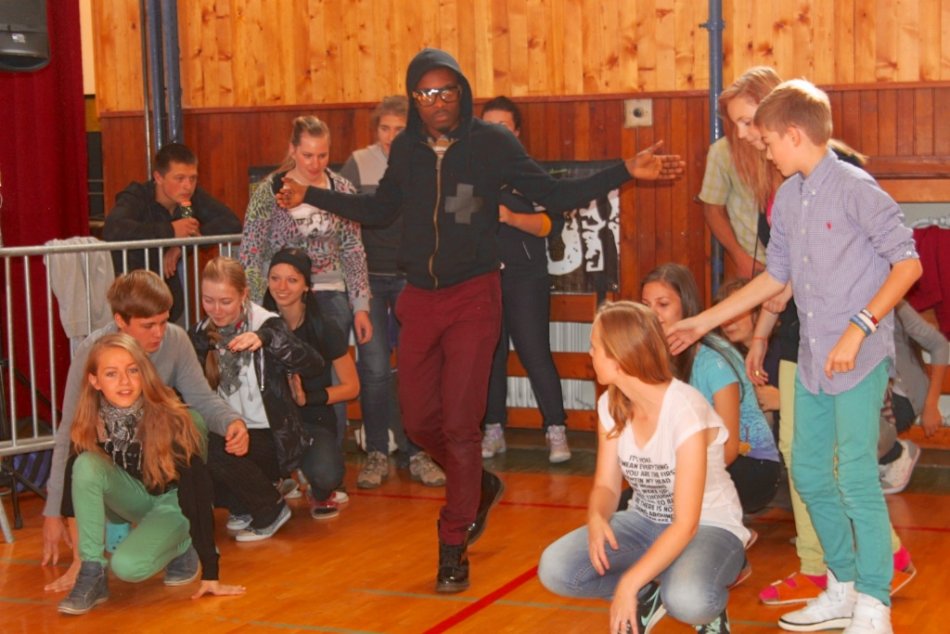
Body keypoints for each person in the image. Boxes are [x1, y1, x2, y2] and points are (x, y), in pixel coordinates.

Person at [276, 48, 685, 593]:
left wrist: (624, 171)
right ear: (414, 97)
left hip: (473, 297)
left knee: (461, 426)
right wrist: (311, 194)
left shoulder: (492, 143)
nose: (437, 101)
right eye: (426, 93)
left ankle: (453, 542)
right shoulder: (408, 150)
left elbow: (553, 193)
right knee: (419, 422)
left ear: (462, 93)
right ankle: (478, 485)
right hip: (419, 300)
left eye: (447, 90)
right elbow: (379, 210)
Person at [668, 79, 922, 634]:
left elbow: (908, 265)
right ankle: (842, 585)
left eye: (766, 142)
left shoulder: (856, 188)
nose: (763, 152)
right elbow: (775, 279)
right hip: (811, 360)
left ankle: (874, 603)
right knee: (807, 471)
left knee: (855, 476)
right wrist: (702, 321)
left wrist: (858, 328)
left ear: (793, 134)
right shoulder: (787, 197)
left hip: (857, 358)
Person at [538, 301, 747, 634]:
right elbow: (606, 485)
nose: (589, 355)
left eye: (595, 348)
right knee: (557, 569)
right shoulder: (610, 404)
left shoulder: (685, 410)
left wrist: (628, 583)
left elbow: (686, 524)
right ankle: (649, 595)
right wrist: (597, 517)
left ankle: (705, 604)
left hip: (707, 526)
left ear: (620, 357)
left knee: (688, 598)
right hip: (645, 521)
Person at [42, 270, 250, 593]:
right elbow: (70, 432)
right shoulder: (92, 352)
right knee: (85, 462)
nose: (159, 333)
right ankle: (99, 553)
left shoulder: (175, 340)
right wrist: (53, 512)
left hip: (163, 469)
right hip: (124, 477)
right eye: (148, 325)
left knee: (191, 420)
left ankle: (182, 526)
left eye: (164, 322)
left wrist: (233, 422)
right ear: (120, 321)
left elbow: (203, 399)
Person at [56, 334, 245, 615]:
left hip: (176, 503)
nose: (124, 381)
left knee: (128, 568)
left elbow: (198, 494)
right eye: (111, 374)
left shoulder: (169, 418)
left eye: (132, 370)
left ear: (143, 373)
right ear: (95, 381)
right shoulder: (90, 421)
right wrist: (80, 562)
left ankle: (184, 544)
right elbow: (72, 497)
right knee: (84, 464)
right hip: (134, 497)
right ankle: (93, 575)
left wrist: (211, 572)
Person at [240, 115, 371, 450]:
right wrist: (252, 304)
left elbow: (353, 249)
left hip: (331, 293)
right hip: (282, 294)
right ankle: (285, 452)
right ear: (293, 150)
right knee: (280, 373)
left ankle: (330, 451)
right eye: (308, 155)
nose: (315, 163)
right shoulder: (270, 190)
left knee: (332, 376)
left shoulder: (342, 190)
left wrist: (360, 305)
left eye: (322, 155)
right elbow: (252, 249)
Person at [339, 96, 446, 489]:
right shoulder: (358, 163)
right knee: (375, 370)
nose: (390, 136)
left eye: (398, 130)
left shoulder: (428, 162)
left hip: (410, 279)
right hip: (368, 280)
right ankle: (377, 452)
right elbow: (344, 217)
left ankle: (417, 452)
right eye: (384, 128)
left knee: (417, 369)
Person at [190, 257, 324, 541]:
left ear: (244, 295)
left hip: (272, 439)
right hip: (230, 430)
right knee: (192, 446)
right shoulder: (200, 335)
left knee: (214, 447)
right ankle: (243, 504)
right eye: (208, 300)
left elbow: (314, 364)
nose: (216, 310)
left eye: (225, 301)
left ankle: (269, 509)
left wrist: (267, 340)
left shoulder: (269, 325)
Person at [641, 263, 781, 515]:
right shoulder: (652, 355)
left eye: (663, 304)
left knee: (668, 501)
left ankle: (729, 530)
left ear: (686, 306)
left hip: (750, 465)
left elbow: (729, 449)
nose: (653, 314)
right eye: (645, 305)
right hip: (697, 461)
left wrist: (677, 480)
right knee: (632, 504)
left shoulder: (714, 359)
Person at [479, 96, 571, 464]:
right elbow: (456, 218)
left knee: (535, 352)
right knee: (490, 355)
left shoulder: (532, 176)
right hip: (482, 277)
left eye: (502, 126)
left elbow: (552, 225)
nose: (494, 133)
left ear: (516, 133)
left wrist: (511, 218)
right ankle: (493, 428)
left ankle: (556, 428)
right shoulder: (468, 174)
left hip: (526, 278)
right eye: (488, 127)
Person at [262, 248, 359, 518]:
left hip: (313, 419)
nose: (282, 287)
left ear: (306, 286)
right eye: (275, 278)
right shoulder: (258, 324)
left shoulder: (324, 326)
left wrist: (308, 398)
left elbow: (352, 387)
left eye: (292, 280)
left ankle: (318, 488)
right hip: (269, 421)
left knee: (327, 474)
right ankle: (278, 480)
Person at [103, 143, 242, 322]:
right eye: (179, 178)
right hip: (131, 299)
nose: (187, 186)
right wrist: (171, 230)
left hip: (170, 301)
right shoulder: (137, 196)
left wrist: (182, 245)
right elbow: (114, 229)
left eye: (193, 178)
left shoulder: (190, 199)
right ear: (158, 177)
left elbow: (231, 223)